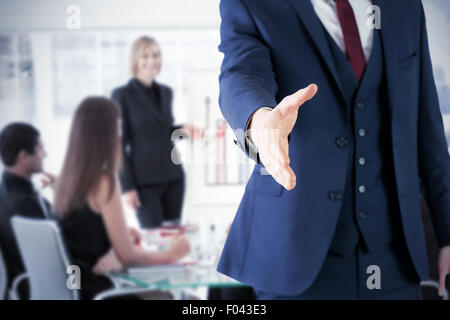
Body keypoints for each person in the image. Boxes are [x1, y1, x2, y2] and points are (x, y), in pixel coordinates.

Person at [217, 0, 450, 299]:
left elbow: (428, 129)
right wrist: (260, 121)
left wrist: (446, 234)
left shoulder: (404, 6)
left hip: (395, 260)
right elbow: (241, 74)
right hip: (295, 255)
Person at [54, 97, 191, 300]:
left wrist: (115, 236)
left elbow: (81, 236)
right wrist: (174, 253)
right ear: (105, 135)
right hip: (99, 293)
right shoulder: (103, 182)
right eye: (118, 126)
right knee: (186, 300)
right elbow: (130, 258)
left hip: (77, 289)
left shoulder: (67, 180)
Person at [111, 36, 203, 228]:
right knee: (155, 241)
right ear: (135, 59)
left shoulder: (166, 92)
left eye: (155, 55)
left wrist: (181, 130)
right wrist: (127, 187)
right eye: (145, 56)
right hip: (144, 183)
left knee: (173, 236)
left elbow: (161, 130)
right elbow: (117, 144)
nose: (152, 61)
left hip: (174, 177)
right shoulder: (122, 95)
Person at [0, 122, 55, 299]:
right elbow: (59, 254)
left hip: (21, 286)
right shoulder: (25, 204)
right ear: (24, 156)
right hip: (44, 285)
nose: (45, 155)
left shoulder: (8, 192)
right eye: (40, 149)